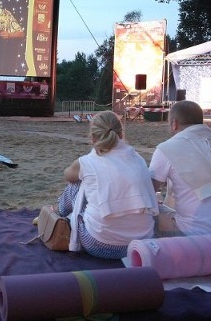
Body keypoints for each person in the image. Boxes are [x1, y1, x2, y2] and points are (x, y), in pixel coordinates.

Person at [57, 111, 158, 260]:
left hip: (100, 244)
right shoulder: (138, 159)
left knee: (77, 184)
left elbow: (67, 175)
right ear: (121, 135)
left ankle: (60, 211)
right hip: (142, 243)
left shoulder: (86, 162)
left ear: (93, 137)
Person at [150, 100, 211, 239]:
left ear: (174, 123)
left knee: (143, 212)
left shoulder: (167, 148)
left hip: (196, 235)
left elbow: (147, 193)